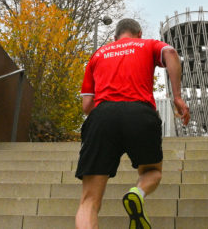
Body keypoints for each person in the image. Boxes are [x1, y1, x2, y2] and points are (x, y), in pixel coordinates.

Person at [75, 18, 190, 229]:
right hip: (140, 114)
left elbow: (87, 104)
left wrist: (107, 114)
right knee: (152, 171)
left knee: (88, 201)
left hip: (102, 116)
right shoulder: (147, 44)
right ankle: (138, 192)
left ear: (114, 37)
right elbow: (171, 53)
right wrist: (177, 97)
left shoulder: (98, 55)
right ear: (139, 33)